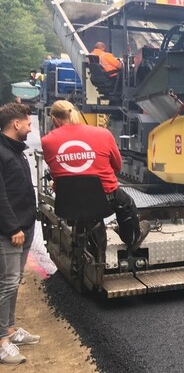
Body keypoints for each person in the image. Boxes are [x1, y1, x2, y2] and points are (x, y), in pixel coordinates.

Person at [41, 101, 149, 254]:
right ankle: (132, 238)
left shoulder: (47, 141)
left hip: (68, 202)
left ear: (54, 119)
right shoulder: (102, 133)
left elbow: (55, 171)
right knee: (127, 203)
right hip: (105, 199)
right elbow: (117, 166)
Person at [0, 103, 40, 365]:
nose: (30, 127)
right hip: (10, 230)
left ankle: (11, 329)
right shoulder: (2, 153)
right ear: (16, 124)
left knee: (14, 282)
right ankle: (2, 339)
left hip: (23, 226)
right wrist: (12, 227)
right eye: (27, 123)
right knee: (6, 283)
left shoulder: (16, 151)